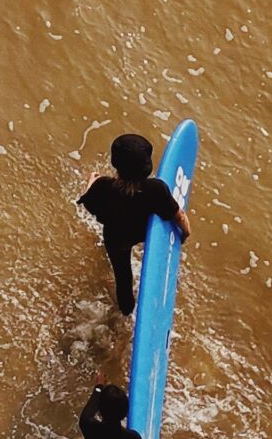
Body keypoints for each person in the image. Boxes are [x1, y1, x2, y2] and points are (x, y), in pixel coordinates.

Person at [77, 132, 190, 315]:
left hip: (116, 239)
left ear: (116, 163)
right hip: (143, 232)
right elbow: (179, 216)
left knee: (123, 277)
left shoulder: (104, 187)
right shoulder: (156, 189)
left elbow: (89, 203)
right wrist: (184, 234)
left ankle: (126, 312)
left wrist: (91, 181)